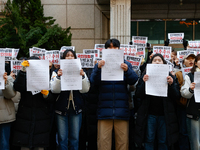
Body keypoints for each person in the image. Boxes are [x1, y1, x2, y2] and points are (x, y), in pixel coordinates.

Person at [90, 38, 138, 150]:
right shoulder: (100, 64)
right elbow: (93, 81)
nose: (112, 49)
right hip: (104, 110)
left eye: (115, 47)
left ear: (119, 49)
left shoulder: (126, 64)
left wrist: (127, 71)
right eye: (109, 47)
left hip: (121, 110)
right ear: (105, 50)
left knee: (122, 143)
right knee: (103, 143)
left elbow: (134, 80)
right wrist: (97, 68)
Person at [134, 53, 180, 150]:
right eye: (155, 60)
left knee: (163, 141)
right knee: (149, 139)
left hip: (165, 115)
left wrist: (171, 84)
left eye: (160, 60)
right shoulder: (145, 75)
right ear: (151, 63)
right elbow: (138, 94)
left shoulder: (170, 76)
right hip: (150, 114)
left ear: (164, 63)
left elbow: (176, 95)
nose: (157, 62)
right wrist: (143, 82)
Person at [50, 49, 90, 150]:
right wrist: (59, 77)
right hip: (61, 110)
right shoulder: (56, 72)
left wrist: (83, 76)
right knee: (62, 138)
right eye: (67, 56)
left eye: (72, 56)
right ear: (63, 58)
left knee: (75, 138)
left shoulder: (81, 72)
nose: (70, 57)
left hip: (76, 109)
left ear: (75, 58)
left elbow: (85, 89)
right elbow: (54, 90)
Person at [12, 56, 54, 150]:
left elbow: (53, 98)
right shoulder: (24, 76)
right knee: (25, 146)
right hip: (25, 116)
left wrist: (46, 95)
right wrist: (22, 71)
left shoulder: (46, 76)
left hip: (41, 116)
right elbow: (18, 87)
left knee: (39, 146)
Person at [175, 54, 195, 150]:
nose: (191, 61)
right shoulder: (178, 74)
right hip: (183, 107)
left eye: (193, 59)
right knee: (184, 131)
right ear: (184, 62)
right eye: (188, 59)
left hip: (195, 107)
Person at [181, 54, 200, 150]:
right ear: (196, 63)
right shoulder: (190, 76)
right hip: (194, 113)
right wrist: (191, 89)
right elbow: (183, 93)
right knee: (196, 144)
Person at [0, 71, 17, 150]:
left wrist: (5, 82)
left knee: (4, 143)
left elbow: (11, 94)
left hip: (4, 116)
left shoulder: (7, 77)